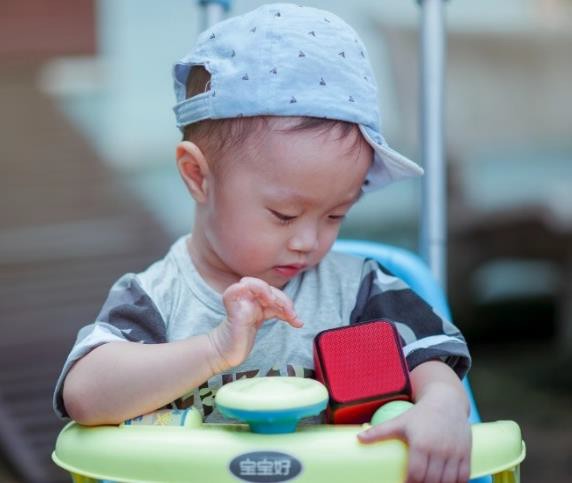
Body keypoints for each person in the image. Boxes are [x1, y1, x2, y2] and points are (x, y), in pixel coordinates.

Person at [54, 4, 472, 482]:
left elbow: (432, 358)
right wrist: (214, 350)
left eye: (337, 214)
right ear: (197, 177)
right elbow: (84, 395)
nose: (309, 240)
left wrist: (441, 407)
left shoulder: (359, 291)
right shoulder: (156, 299)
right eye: (284, 214)